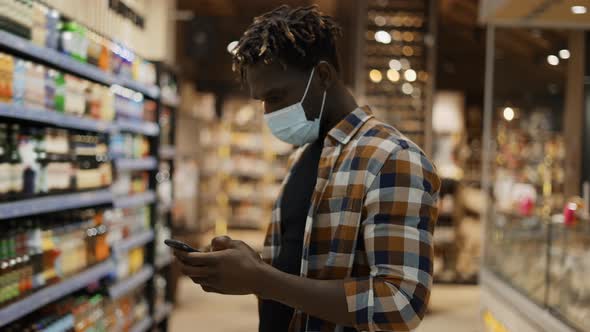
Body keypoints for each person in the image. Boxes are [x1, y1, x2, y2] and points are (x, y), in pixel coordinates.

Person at [173, 5, 441, 332]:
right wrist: (250, 265)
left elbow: (400, 304)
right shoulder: (303, 155)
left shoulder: (392, 159)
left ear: (324, 76)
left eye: (276, 96)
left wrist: (262, 279)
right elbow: (301, 265)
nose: (269, 112)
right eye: (262, 101)